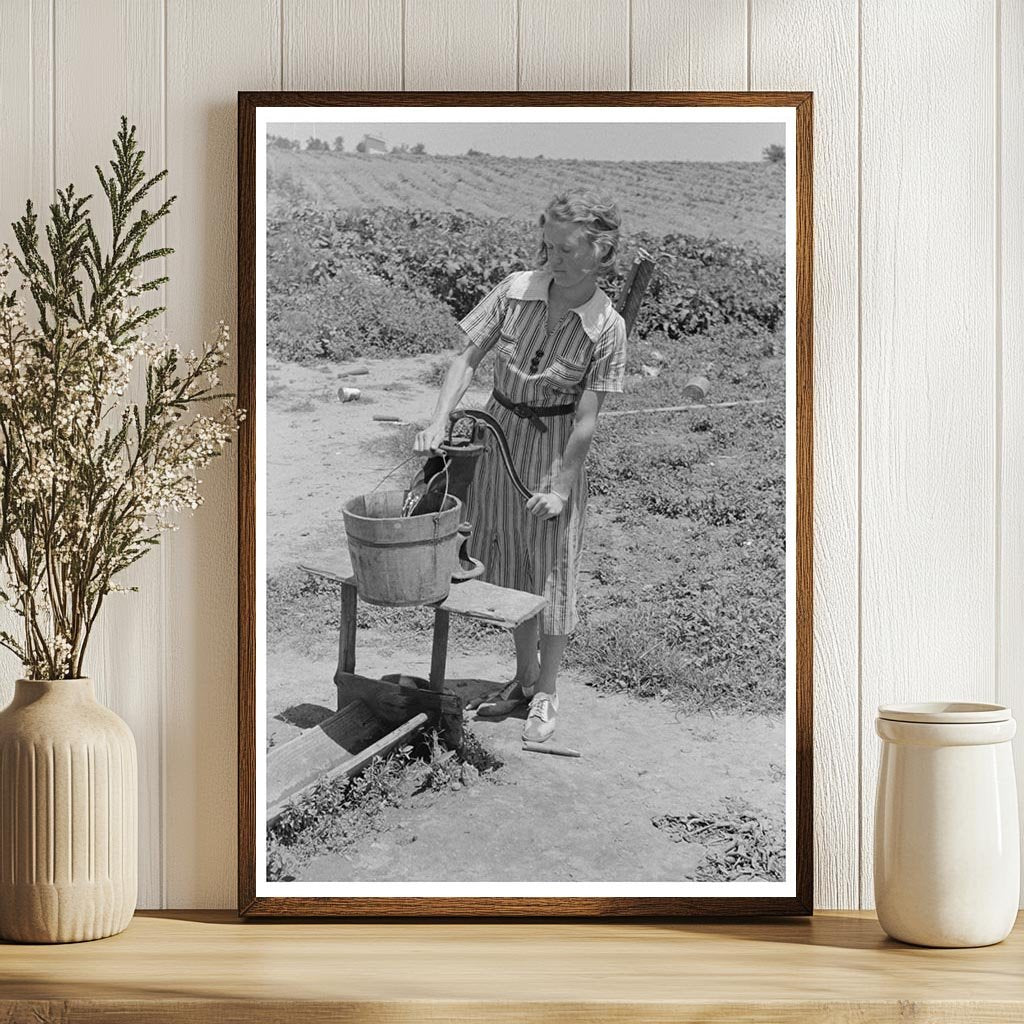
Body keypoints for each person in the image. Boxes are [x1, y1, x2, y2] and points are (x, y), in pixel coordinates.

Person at [413, 190, 627, 742]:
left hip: (555, 445)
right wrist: (440, 419)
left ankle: (548, 693)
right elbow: (465, 359)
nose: (551, 256)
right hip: (499, 433)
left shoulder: (606, 326)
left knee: (551, 567)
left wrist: (559, 487)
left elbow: (587, 418)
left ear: (600, 252)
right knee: (507, 555)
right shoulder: (514, 290)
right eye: (547, 244)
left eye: (566, 248)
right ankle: (523, 678)